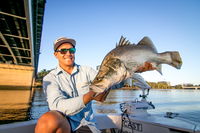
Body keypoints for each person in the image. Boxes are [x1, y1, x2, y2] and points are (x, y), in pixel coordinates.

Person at [35, 37, 109, 133]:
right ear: (55, 54)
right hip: (66, 124)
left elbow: (108, 82)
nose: (68, 53)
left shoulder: (87, 71)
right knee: (48, 119)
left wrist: (127, 71)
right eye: (63, 51)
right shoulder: (50, 78)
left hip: (87, 124)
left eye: (71, 50)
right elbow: (56, 106)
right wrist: (90, 96)